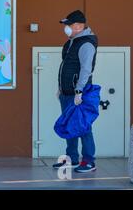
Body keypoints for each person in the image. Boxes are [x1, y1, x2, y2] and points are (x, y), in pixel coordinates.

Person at [52, 10, 99, 173]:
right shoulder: (71, 42)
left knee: (84, 127)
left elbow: (86, 69)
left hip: (79, 94)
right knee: (69, 126)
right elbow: (67, 67)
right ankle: (71, 158)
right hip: (66, 93)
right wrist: (60, 88)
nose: (65, 28)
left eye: (68, 25)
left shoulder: (86, 43)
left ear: (78, 26)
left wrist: (79, 91)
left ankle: (89, 161)